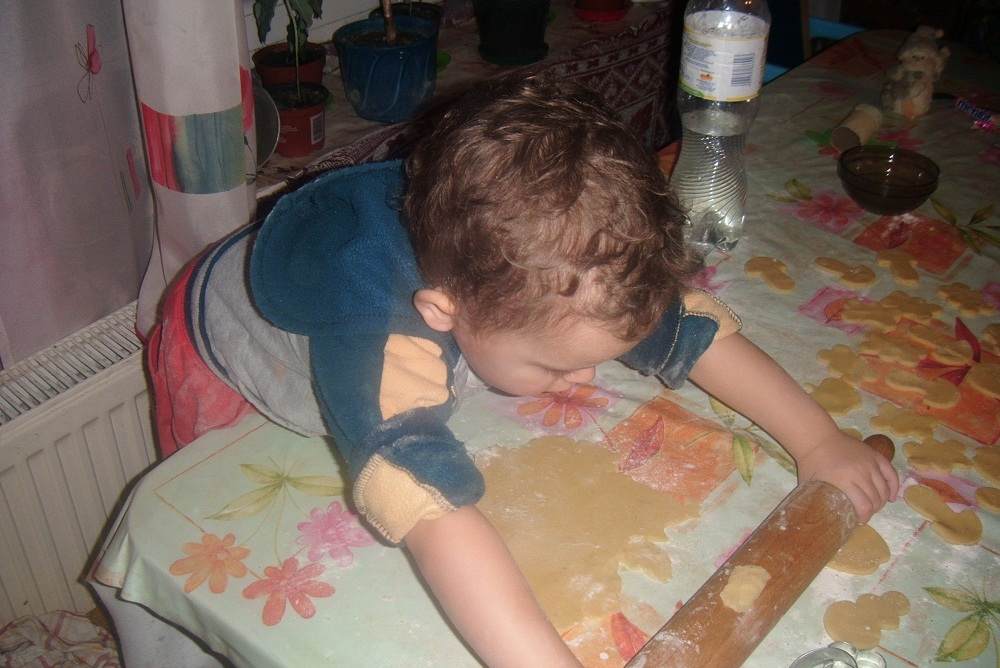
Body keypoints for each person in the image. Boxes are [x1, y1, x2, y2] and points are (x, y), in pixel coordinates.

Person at [147, 73, 899, 666]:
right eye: (553, 366)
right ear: (442, 311)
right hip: (219, 340)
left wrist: (819, 442)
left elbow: (691, 329)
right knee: (202, 521)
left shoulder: (560, 265)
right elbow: (423, 503)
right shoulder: (383, 334)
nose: (586, 383)